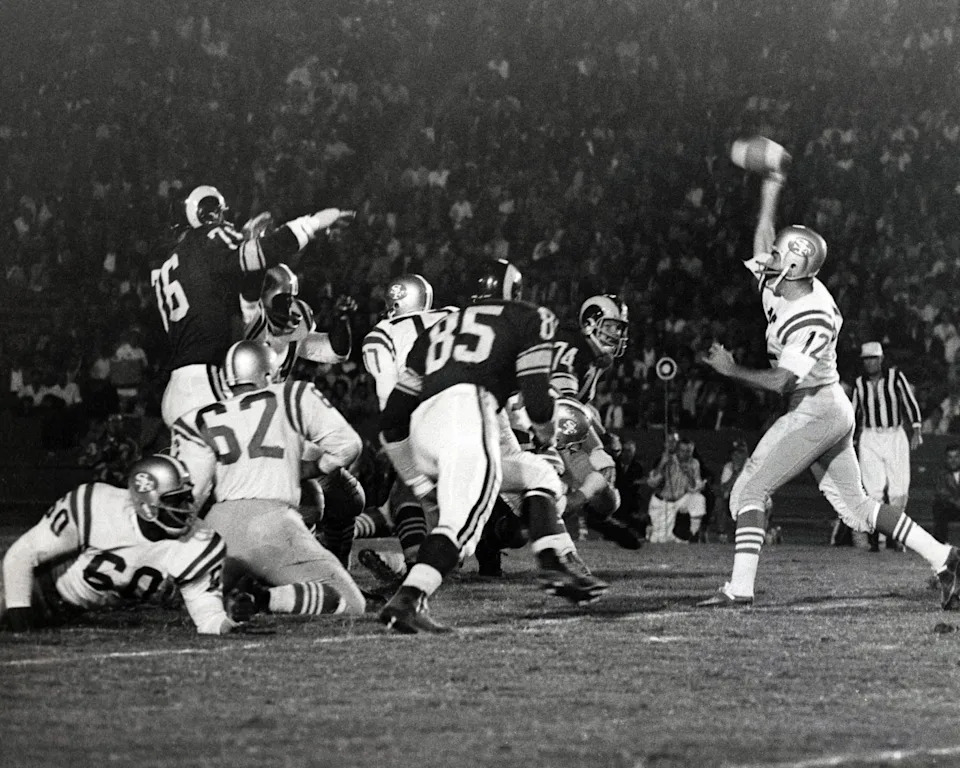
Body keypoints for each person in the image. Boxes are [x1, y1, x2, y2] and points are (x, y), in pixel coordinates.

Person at [699, 167, 960, 609]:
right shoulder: (785, 277)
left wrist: (731, 370)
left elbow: (783, 381)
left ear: (796, 266)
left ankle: (739, 589)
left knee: (747, 492)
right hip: (829, 406)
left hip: (816, 407)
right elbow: (764, 240)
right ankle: (945, 558)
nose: (768, 261)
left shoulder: (813, 313)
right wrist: (771, 188)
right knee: (857, 509)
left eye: (780, 259)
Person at [376, 262, 607, 633]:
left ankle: (553, 558)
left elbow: (390, 422)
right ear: (513, 292)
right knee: (461, 533)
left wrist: (419, 483)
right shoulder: (528, 316)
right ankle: (408, 600)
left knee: (538, 473)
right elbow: (537, 400)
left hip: (423, 427)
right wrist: (547, 430)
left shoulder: (437, 329)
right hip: (470, 413)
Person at [171, 340, 367, 618]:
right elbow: (348, 446)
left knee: (207, 584)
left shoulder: (197, 418)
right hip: (273, 524)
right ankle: (263, 598)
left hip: (218, 527)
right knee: (351, 604)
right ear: (268, 373)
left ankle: (225, 580)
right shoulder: (292, 394)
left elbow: (192, 495)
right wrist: (315, 467)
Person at [152, 184, 354, 428]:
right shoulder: (207, 240)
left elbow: (244, 288)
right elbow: (265, 253)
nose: (225, 222)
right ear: (206, 214)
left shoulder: (167, 266)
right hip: (209, 382)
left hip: (178, 388)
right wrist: (313, 223)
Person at [1, 455, 241, 635]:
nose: (186, 508)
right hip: (34, 588)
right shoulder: (97, 506)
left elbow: (208, 616)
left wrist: (230, 625)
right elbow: (20, 556)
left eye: (187, 497)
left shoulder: (200, 542)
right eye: (175, 500)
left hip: (71, 613)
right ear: (146, 504)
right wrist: (20, 619)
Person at [242, 262, 365, 570]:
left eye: (291, 297)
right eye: (281, 298)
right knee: (309, 504)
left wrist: (341, 320)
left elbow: (333, 352)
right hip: (244, 431)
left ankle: (337, 568)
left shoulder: (293, 325)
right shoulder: (243, 325)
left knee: (346, 499)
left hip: (279, 429)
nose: (289, 305)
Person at [357, 274, 454, 580]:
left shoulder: (383, 333)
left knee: (408, 492)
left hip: (421, 417)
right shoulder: (454, 315)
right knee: (401, 501)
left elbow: (389, 395)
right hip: (470, 413)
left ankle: (414, 560)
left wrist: (393, 438)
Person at [551, 294, 639, 548]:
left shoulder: (596, 358)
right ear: (591, 322)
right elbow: (564, 402)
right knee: (602, 470)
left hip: (559, 423)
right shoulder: (573, 345)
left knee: (608, 498)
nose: (618, 334)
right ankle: (575, 508)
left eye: (620, 329)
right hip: (539, 426)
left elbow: (580, 403)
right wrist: (596, 442)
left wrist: (603, 432)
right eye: (612, 327)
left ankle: (589, 515)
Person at [846, 341, 924, 551]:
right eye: (866, 359)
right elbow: (853, 412)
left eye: (873, 358)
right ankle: (878, 539)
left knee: (899, 488)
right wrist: (849, 437)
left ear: (880, 359)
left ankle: (897, 535)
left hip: (894, 435)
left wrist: (916, 428)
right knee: (873, 489)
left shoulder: (895, 377)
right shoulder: (859, 383)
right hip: (870, 436)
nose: (870, 363)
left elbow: (909, 401)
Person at [644, 433, 707, 543]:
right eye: (683, 451)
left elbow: (696, 487)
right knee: (660, 540)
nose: (686, 454)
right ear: (677, 450)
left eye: (689, 451)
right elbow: (652, 483)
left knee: (698, 498)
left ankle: (693, 533)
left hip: (680, 501)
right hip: (662, 503)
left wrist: (689, 475)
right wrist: (662, 464)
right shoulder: (667, 460)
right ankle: (651, 532)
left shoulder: (694, 463)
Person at [933, 444, 960, 544]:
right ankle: (941, 543)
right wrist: (957, 502)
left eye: (956, 457)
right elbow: (942, 493)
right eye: (950, 457)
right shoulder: (941, 474)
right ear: (946, 459)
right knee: (939, 506)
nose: (953, 460)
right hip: (951, 508)